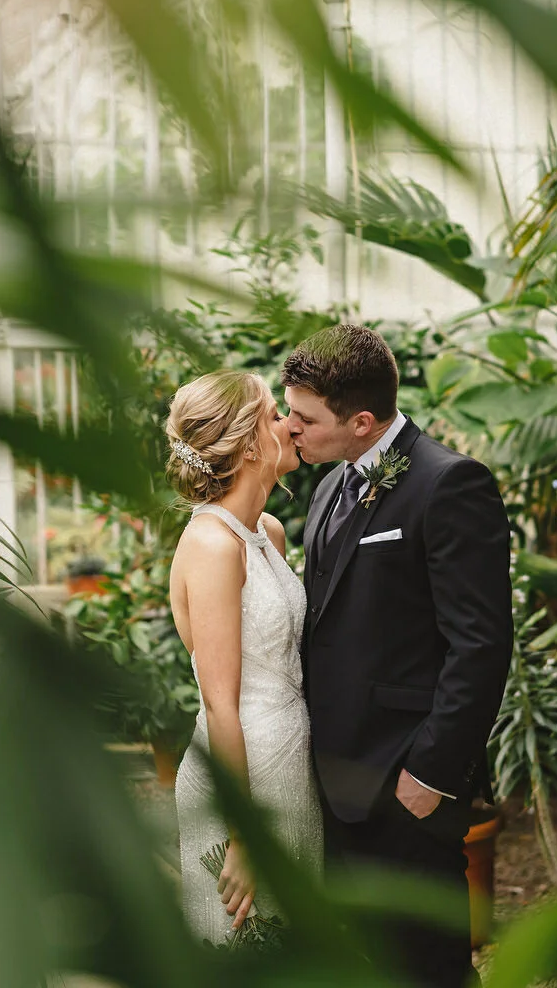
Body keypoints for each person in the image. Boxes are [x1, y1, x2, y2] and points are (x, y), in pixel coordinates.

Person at [281, 325, 512, 988]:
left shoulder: (450, 484)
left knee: (428, 969)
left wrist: (431, 776)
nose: (287, 426)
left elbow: (481, 643)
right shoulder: (328, 489)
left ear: (360, 421)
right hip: (331, 781)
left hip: (404, 783)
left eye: (303, 417)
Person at [167, 370, 322, 946]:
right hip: (243, 776)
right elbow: (219, 703)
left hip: (291, 764)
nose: (291, 423)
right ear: (251, 441)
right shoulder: (210, 544)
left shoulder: (268, 532)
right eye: (275, 415)